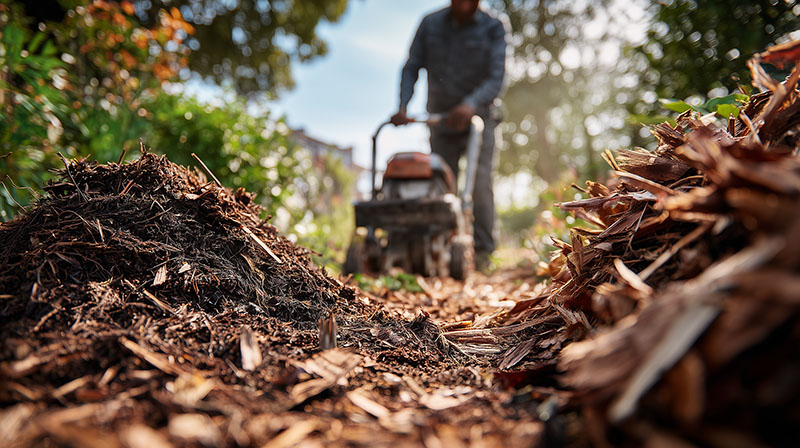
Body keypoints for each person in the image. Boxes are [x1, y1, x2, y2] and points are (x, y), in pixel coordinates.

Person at [390, 0, 509, 271]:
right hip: (441, 119)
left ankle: (482, 254)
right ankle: (438, 249)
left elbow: (496, 77)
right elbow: (411, 67)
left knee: (478, 182)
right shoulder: (430, 23)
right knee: (440, 185)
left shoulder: (494, 26)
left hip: (480, 118)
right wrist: (403, 105)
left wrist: (470, 104)